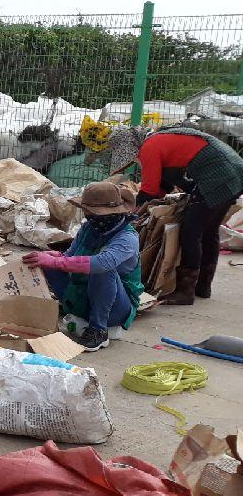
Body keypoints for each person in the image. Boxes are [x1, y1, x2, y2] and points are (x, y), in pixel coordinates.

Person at [22, 181, 144, 352]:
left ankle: (98, 330)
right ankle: (16, 310)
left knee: (102, 268)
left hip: (114, 310)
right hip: (82, 296)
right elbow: (70, 257)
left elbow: (102, 263)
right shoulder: (88, 228)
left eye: (93, 212)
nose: (88, 215)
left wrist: (57, 261)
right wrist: (52, 258)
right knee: (41, 261)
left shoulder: (128, 238)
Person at [132, 127, 243, 304]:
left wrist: (136, 212)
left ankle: (185, 292)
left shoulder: (149, 147)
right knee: (209, 231)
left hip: (218, 175)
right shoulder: (164, 138)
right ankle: (203, 287)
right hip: (234, 170)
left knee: (190, 233)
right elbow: (169, 181)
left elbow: (149, 190)